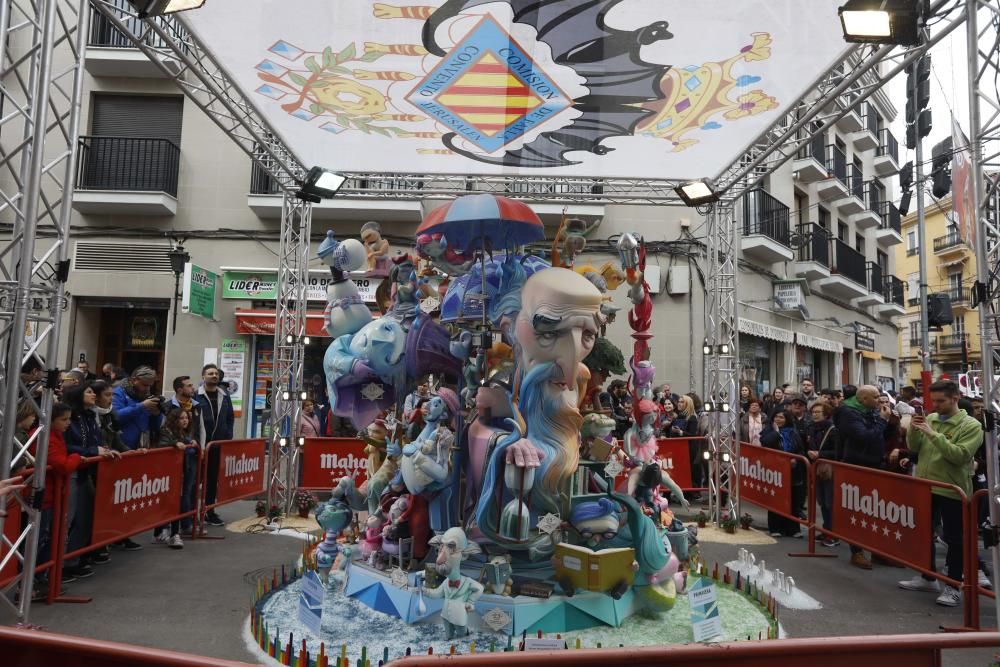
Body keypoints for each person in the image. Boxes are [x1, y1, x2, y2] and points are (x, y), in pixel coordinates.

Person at [898, 380, 982, 606]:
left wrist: (932, 434)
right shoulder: (932, 418)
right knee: (923, 533)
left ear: (955, 398)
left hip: (952, 489)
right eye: (933, 401)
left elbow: (960, 456)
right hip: (926, 485)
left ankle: (953, 586)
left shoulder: (971, 425)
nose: (936, 405)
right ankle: (927, 576)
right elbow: (915, 448)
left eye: (941, 401)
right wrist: (914, 430)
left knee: (955, 539)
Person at [63, 384, 120, 577]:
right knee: (68, 520)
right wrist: (93, 451)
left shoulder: (89, 416)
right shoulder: (68, 417)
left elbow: (95, 441)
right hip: (72, 472)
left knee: (86, 517)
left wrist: (104, 449)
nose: (93, 395)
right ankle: (63, 563)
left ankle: (74, 558)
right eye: (88, 392)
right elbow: (66, 446)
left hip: (86, 471)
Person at [833, 384, 891, 570]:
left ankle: (878, 551)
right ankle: (856, 551)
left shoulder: (871, 411)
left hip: (875, 464)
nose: (879, 399)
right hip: (856, 466)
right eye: (875, 397)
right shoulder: (848, 412)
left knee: (876, 511)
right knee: (857, 510)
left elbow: (883, 434)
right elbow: (864, 436)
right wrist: (882, 421)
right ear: (863, 399)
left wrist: (889, 420)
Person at [28, 403, 81, 589]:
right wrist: (77, 457)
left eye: (68, 419)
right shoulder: (45, 437)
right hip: (43, 495)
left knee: (48, 537)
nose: (68, 423)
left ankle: (39, 578)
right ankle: (33, 582)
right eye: (63, 419)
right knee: (40, 539)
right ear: (51, 420)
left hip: (51, 494)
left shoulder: (54, 436)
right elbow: (63, 465)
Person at [195, 363, 234, 527]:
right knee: (194, 481)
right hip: (198, 446)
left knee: (212, 480)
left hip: (216, 445)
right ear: (203, 376)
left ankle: (209, 511)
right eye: (210, 373)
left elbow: (230, 417)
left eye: (216, 373)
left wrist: (227, 435)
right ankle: (189, 514)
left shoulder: (224, 395)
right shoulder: (196, 396)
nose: (214, 376)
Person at [154, 408, 198, 549]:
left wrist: (192, 443)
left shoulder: (185, 433)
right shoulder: (166, 430)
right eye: (181, 418)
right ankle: (164, 530)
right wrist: (174, 444)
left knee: (180, 498)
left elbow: (188, 445)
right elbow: (163, 445)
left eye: (186, 418)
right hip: (167, 472)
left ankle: (175, 531)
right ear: (174, 419)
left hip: (183, 470)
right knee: (168, 500)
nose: (185, 420)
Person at [760, 410, 805, 537]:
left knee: (793, 500)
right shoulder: (769, 431)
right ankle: (775, 528)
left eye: (782, 417)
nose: (778, 419)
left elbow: (801, 450)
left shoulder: (793, 433)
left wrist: (796, 459)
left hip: (793, 472)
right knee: (775, 498)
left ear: (787, 419)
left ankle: (793, 529)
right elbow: (765, 442)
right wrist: (776, 432)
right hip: (775, 471)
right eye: (776, 417)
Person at [169, 375, 204, 534]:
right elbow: (165, 431)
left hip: (192, 453)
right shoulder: (168, 406)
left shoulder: (196, 406)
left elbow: (201, 429)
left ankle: (189, 522)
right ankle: (174, 526)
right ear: (179, 389)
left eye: (192, 385)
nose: (193, 388)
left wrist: (201, 448)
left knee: (190, 489)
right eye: (189, 386)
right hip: (174, 456)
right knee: (176, 491)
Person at [806, 402, 840, 546]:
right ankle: (826, 529)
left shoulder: (832, 430)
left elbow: (838, 452)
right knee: (822, 501)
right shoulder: (811, 429)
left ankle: (833, 534)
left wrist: (820, 454)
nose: (815, 414)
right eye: (813, 412)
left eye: (818, 412)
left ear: (826, 413)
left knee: (829, 502)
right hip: (817, 468)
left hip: (829, 469)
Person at [112, 366, 162, 450]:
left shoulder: (146, 395)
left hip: (142, 446)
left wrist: (156, 415)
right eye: (145, 385)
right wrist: (141, 406)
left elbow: (155, 427)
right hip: (121, 447)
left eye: (150, 386)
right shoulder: (118, 393)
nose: (147, 389)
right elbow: (116, 416)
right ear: (134, 380)